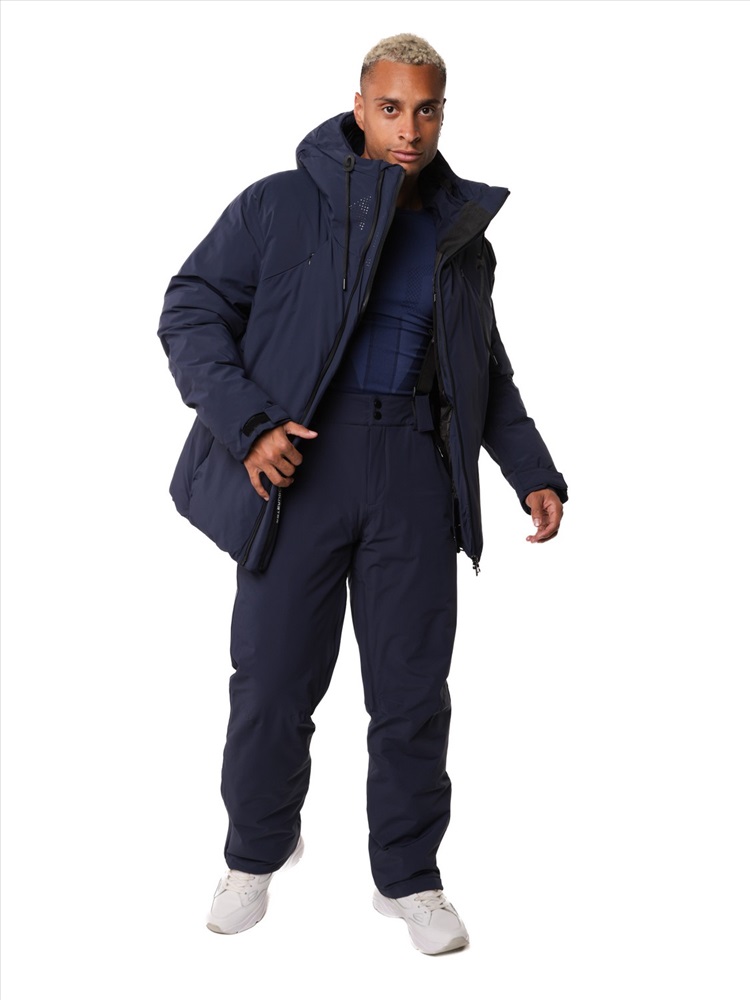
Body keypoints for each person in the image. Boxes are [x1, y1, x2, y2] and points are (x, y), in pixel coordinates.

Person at [157, 33, 567, 955]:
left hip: (414, 473)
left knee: (413, 691)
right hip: (300, 465)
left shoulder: (459, 237)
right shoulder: (278, 204)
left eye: (427, 110)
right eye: (390, 108)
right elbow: (191, 308)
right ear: (358, 106)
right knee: (271, 681)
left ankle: (410, 877)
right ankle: (255, 853)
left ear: (443, 114)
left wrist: (532, 469)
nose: (408, 129)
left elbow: (484, 369)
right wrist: (249, 424)